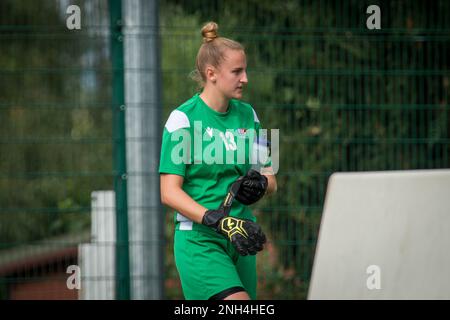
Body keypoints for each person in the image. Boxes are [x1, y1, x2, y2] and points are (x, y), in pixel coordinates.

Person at [159, 21, 277, 300]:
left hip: (241, 236)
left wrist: (260, 184)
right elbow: (168, 192)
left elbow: (272, 179)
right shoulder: (182, 119)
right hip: (200, 240)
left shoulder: (250, 115)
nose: (245, 78)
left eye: (245, 70)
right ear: (211, 74)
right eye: (237, 72)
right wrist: (213, 219)